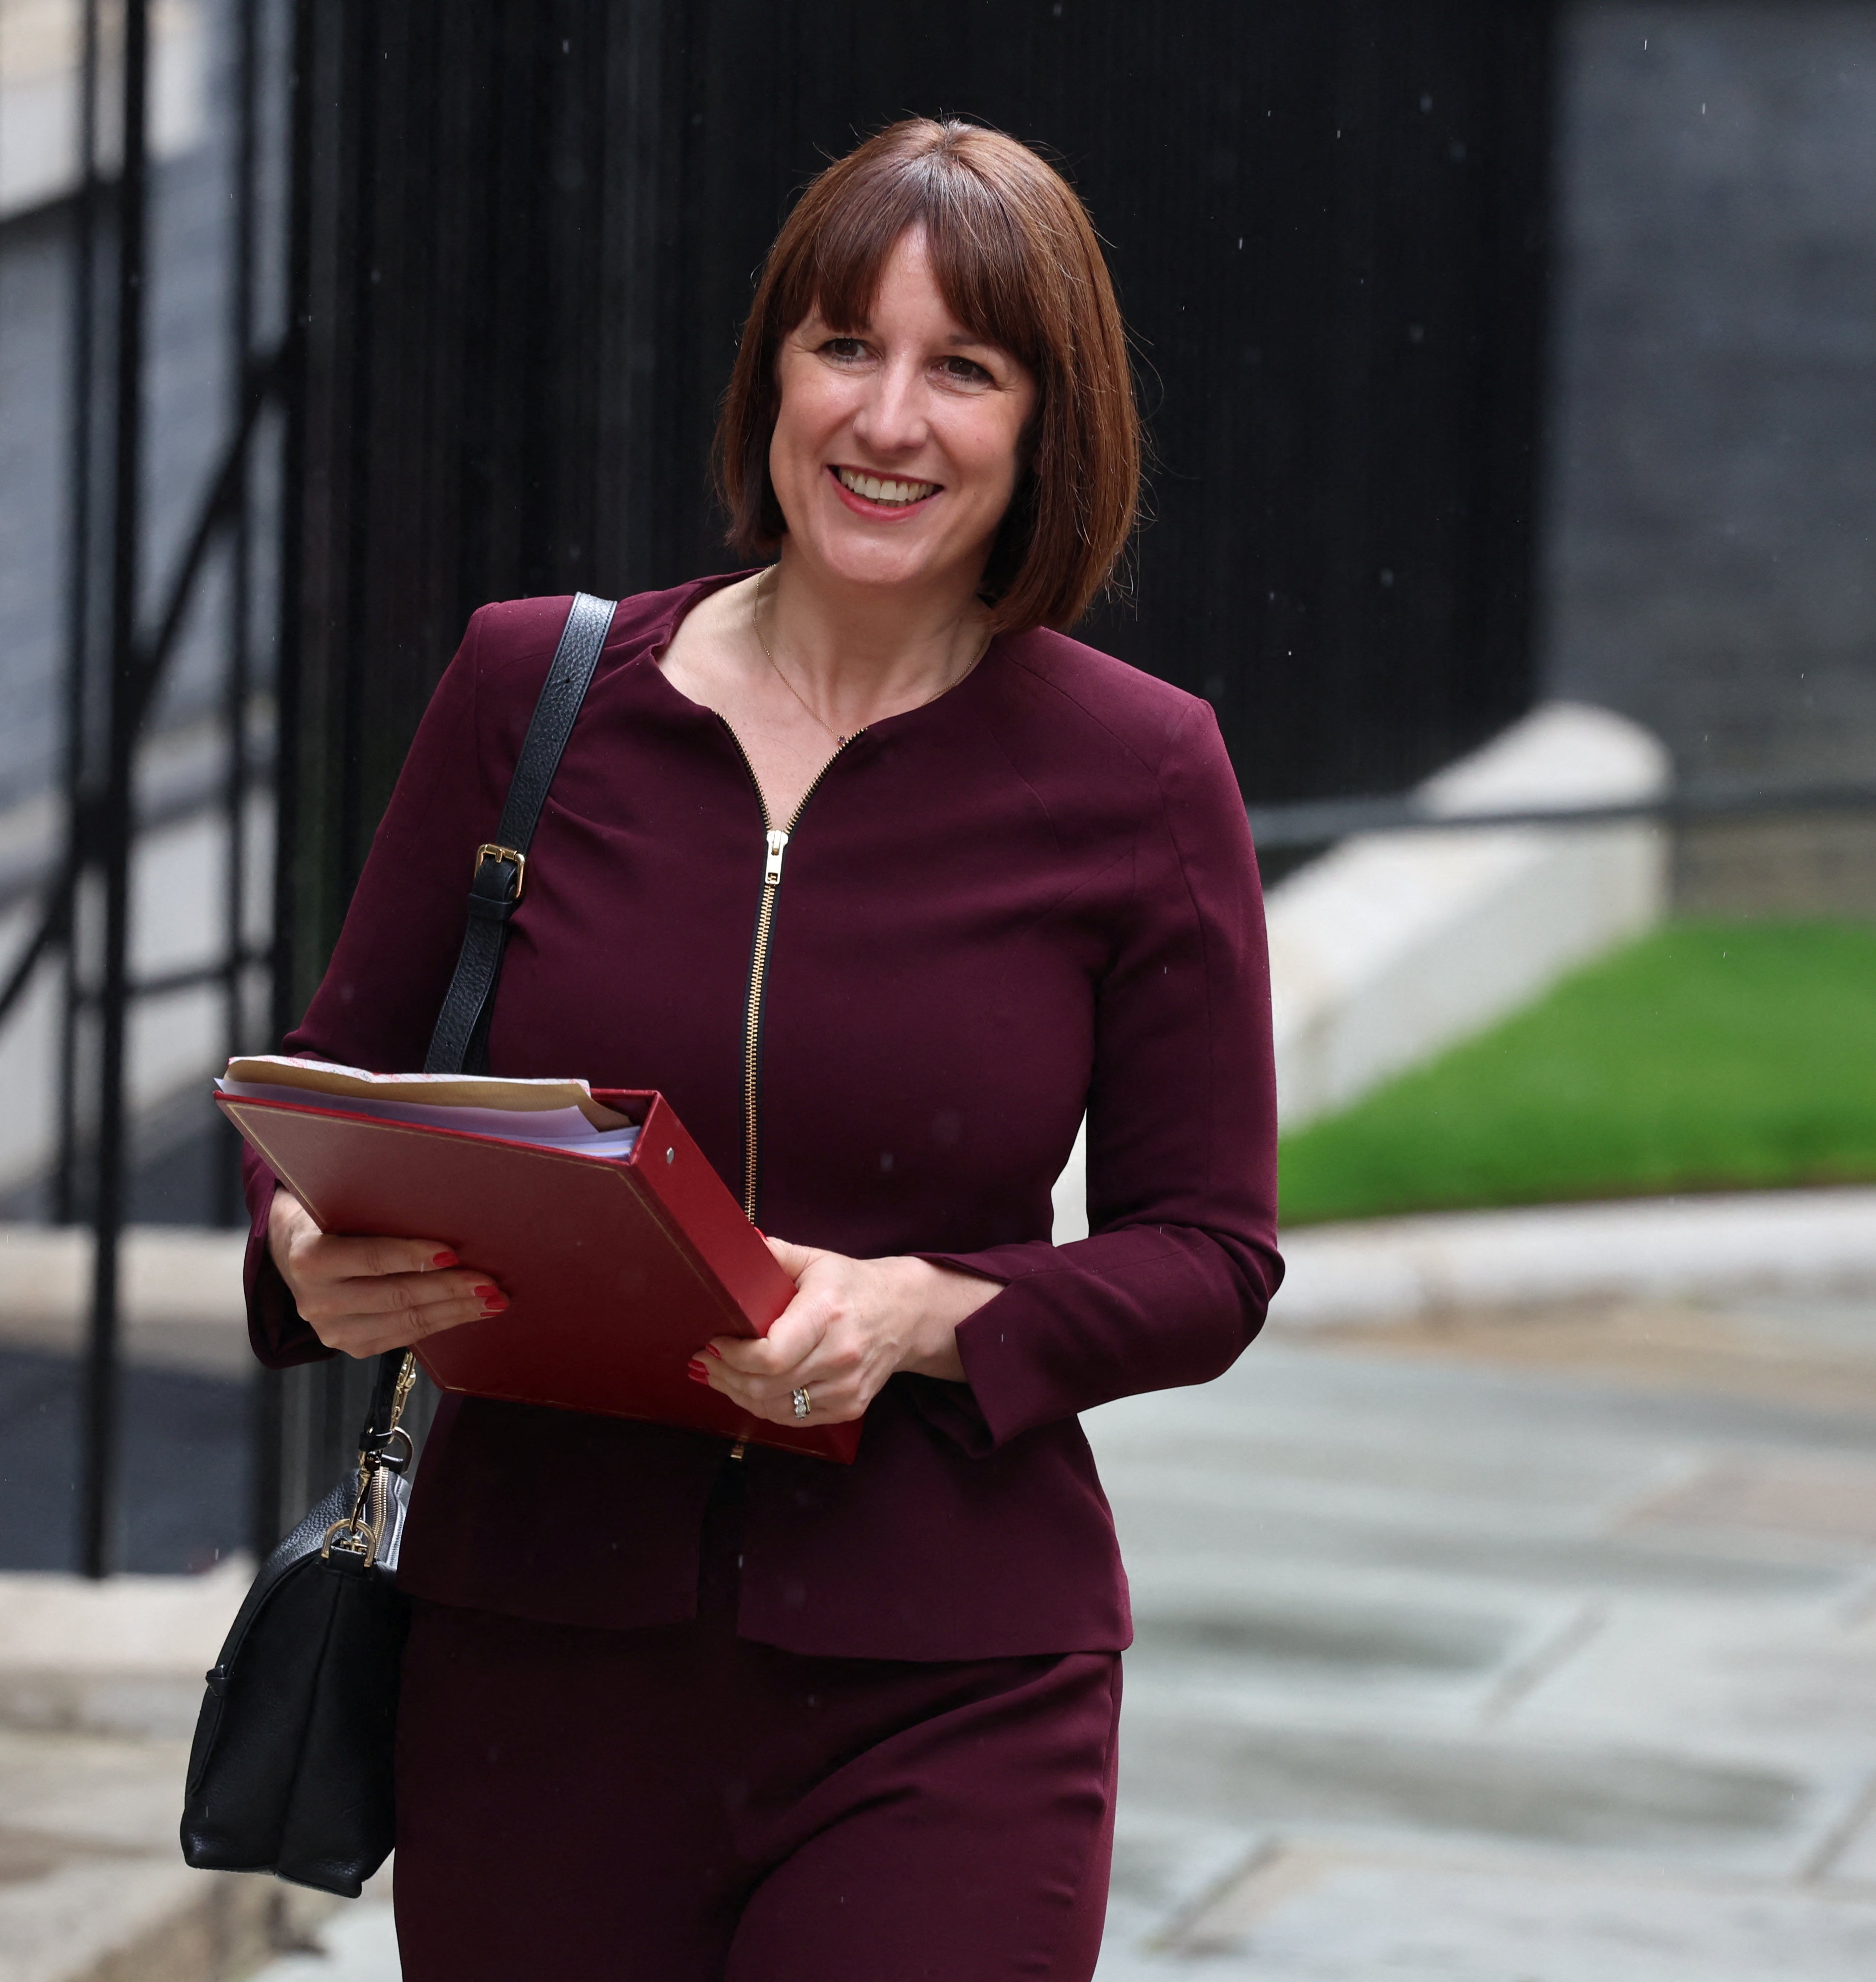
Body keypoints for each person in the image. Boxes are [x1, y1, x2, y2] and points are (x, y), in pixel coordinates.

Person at [240, 117, 1280, 1981]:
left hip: (949, 1672)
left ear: (1048, 425)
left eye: (964, 368)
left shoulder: (1140, 772)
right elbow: (329, 1089)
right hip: (533, 1656)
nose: (889, 420)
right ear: (771, 375)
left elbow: (1210, 1256)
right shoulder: (532, 693)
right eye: (842, 347)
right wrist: (314, 1255)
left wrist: (921, 1315)